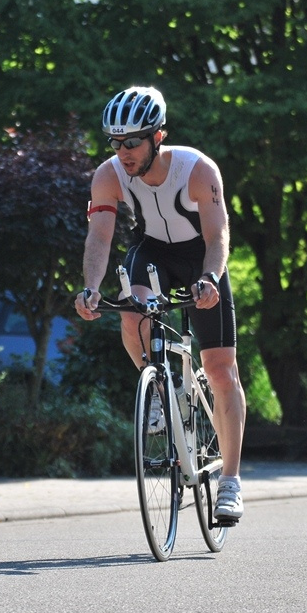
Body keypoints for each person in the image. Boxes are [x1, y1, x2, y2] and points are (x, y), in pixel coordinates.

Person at [73, 86, 246, 522]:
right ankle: (160, 390)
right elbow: (99, 237)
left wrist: (210, 279)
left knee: (221, 370)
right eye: (116, 142)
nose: (123, 152)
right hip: (153, 252)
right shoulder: (109, 175)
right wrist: (90, 288)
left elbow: (218, 236)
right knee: (132, 310)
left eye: (132, 142)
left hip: (201, 257)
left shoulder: (197, 170)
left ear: (158, 137)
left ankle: (230, 481)